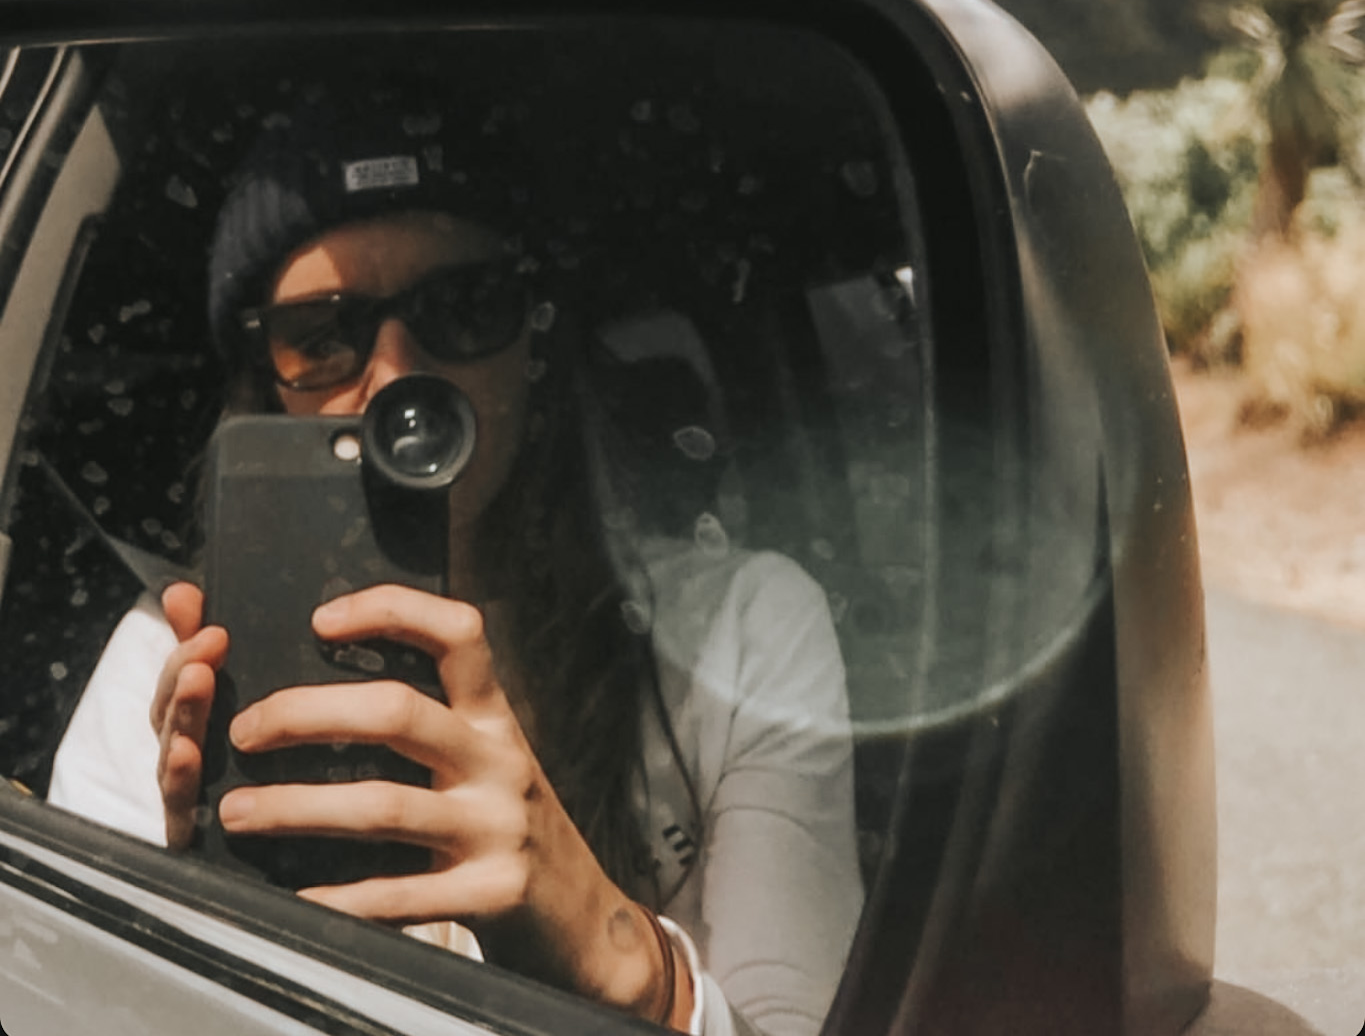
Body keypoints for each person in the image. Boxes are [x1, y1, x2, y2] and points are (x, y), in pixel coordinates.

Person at [48, 90, 862, 1036]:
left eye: (465, 310)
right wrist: (196, 906)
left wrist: (619, 958)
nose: (397, 382)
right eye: (322, 336)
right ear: (263, 383)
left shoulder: (742, 632)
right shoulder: (171, 658)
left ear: (536, 349)